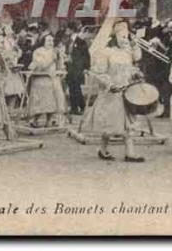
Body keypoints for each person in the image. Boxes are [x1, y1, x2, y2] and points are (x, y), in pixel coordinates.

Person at [81, 19, 146, 163]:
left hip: (126, 92)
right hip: (111, 93)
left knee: (128, 124)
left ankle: (130, 153)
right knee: (109, 124)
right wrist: (110, 85)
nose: (124, 39)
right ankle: (103, 149)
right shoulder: (106, 52)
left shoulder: (128, 52)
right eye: (122, 36)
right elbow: (99, 72)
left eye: (126, 36)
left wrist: (134, 45)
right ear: (114, 36)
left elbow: (137, 58)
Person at [26, 33, 66, 127]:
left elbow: (60, 66)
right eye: (48, 40)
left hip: (53, 79)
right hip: (41, 79)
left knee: (54, 100)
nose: (50, 43)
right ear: (43, 41)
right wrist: (52, 58)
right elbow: (40, 66)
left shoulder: (55, 51)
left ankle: (50, 119)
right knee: (40, 101)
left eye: (52, 41)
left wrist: (61, 61)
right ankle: (35, 119)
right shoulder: (38, 51)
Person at [66, 36, 90, 115]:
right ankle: (74, 108)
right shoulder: (68, 41)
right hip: (70, 68)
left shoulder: (81, 42)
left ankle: (81, 107)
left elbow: (86, 55)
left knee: (76, 88)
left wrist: (86, 67)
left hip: (78, 68)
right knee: (72, 88)